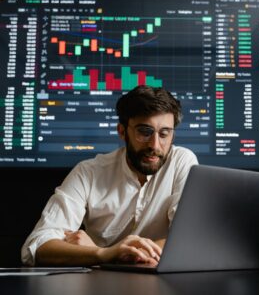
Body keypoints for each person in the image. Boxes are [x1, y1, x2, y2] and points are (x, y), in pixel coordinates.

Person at [21, 85, 198, 266]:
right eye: (144, 132)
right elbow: (37, 246)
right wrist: (102, 254)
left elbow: (190, 238)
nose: (155, 145)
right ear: (122, 131)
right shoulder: (87, 173)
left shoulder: (182, 162)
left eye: (164, 134)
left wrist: (99, 252)